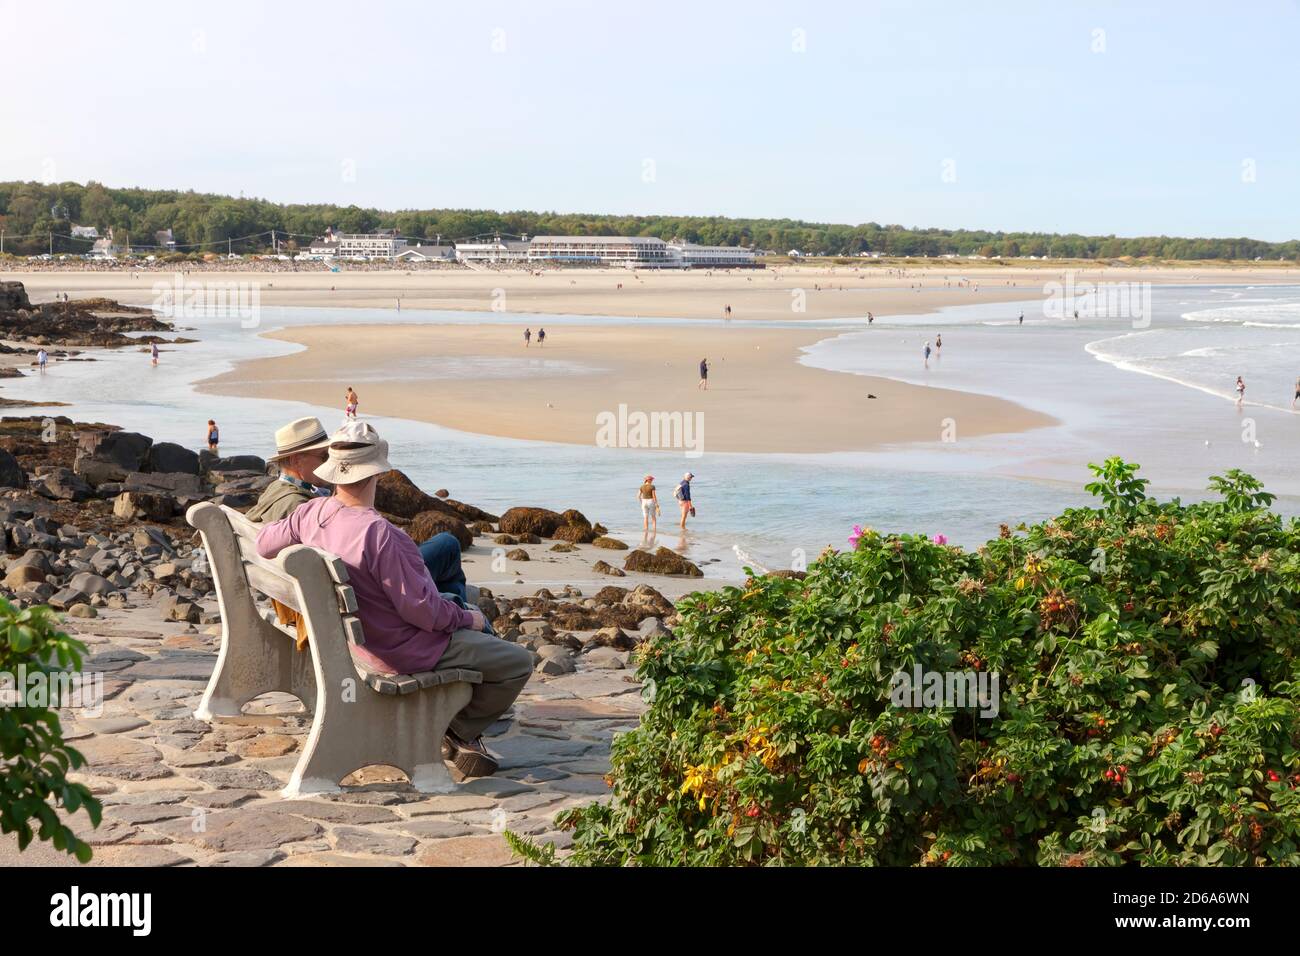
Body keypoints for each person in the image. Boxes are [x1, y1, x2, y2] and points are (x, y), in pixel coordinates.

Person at [255, 425, 531, 777]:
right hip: (399, 651)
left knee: (459, 609)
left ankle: (453, 721)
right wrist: (468, 620)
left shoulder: (312, 512)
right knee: (517, 661)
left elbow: (263, 543)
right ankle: (456, 730)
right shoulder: (382, 535)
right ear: (377, 473)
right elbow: (423, 612)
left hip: (354, 644)